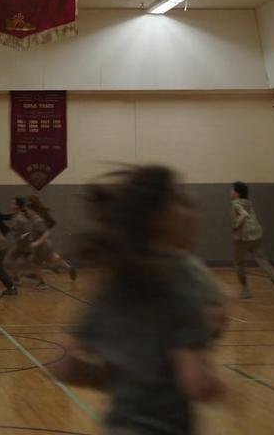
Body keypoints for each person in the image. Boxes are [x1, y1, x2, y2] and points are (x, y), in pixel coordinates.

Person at [54, 165, 224, 435]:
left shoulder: (112, 283)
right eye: (182, 202)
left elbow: (61, 364)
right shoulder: (181, 282)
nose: (193, 213)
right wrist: (220, 388)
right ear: (159, 217)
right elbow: (197, 384)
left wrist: (124, 380)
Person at [231, 181, 274, 306]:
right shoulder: (248, 202)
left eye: (232, 190)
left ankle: (245, 290)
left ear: (237, 193)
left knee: (239, 262)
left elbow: (243, 215)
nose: (230, 192)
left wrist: (236, 225)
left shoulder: (235, 204)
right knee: (263, 261)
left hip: (243, 237)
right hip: (256, 234)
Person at [24, 195, 77, 282]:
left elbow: (50, 224)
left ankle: (41, 278)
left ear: (32, 204)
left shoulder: (38, 215)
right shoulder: (40, 212)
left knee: (35, 261)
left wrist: (43, 231)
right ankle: (68, 268)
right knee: (51, 257)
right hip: (44, 240)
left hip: (42, 240)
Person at [6, 197, 44, 289]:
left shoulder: (20, 218)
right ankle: (38, 280)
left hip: (23, 244)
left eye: (13, 204)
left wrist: (24, 239)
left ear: (18, 206)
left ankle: (16, 279)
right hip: (22, 243)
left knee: (12, 259)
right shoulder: (17, 216)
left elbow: (27, 231)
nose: (11, 205)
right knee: (32, 262)